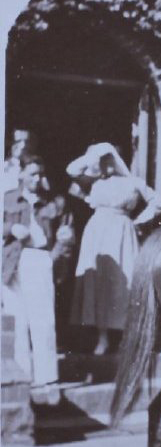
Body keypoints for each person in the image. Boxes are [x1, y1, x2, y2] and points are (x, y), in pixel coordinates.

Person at [66, 143, 161, 355]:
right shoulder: (94, 182)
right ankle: (102, 338)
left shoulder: (134, 182)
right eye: (103, 160)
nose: (106, 164)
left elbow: (158, 202)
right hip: (97, 233)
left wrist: (140, 220)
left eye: (110, 159)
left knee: (123, 282)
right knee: (98, 282)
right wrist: (93, 155)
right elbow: (71, 170)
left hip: (122, 234)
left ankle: (126, 337)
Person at [2, 158, 75, 384]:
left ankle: (46, 377)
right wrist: (10, 228)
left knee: (42, 321)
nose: (37, 178)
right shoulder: (7, 199)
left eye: (40, 174)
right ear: (21, 174)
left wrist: (52, 258)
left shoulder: (54, 203)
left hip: (39, 259)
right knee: (18, 320)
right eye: (32, 173)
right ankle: (22, 375)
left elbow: (67, 233)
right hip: (12, 262)